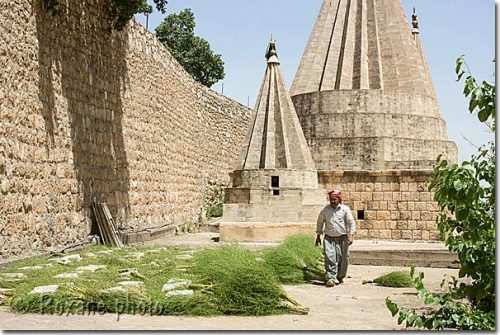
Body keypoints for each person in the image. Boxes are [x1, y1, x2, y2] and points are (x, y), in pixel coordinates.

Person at [315, 190, 356, 287]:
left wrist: (351, 236)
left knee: (344, 257)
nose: (332, 201)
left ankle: (340, 276)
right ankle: (330, 278)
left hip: (343, 237)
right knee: (330, 257)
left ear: (339, 199)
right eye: (331, 199)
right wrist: (318, 236)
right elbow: (320, 222)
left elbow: (351, 223)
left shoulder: (344, 209)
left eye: (334, 199)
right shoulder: (325, 210)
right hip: (329, 237)